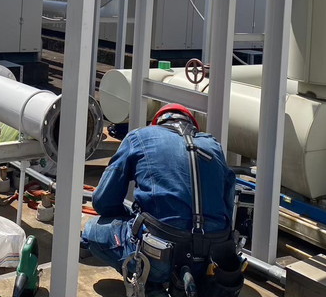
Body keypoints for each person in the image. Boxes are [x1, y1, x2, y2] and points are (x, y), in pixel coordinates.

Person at [81, 103, 244, 297]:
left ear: (157, 123)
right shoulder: (213, 145)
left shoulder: (139, 137)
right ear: (193, 126)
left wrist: (129, 219)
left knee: (92, 231)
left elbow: (102, 201)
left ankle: (150, 288)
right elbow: (228, 206)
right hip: (213, 261)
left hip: (160, 255)